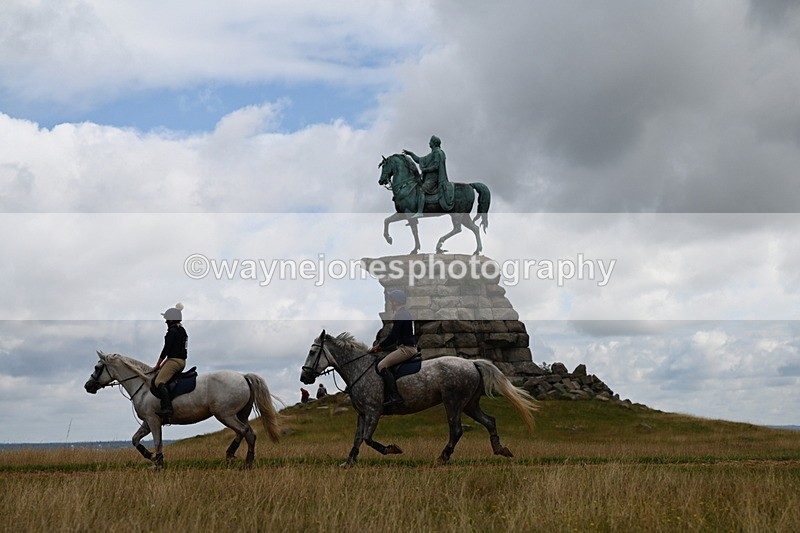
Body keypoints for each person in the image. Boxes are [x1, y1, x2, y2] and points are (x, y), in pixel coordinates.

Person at [369, 289, 416, 407]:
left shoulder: (401, 314)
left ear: (396, 302)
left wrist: (379, 346)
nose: (391, 302)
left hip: (406, 349)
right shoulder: (405, 313)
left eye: (392, 300)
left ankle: (395, 396)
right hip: (406, 346)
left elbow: (393, 336)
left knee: (381, 366)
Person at [152, 302, 188, 420]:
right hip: (180, 361)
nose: (166, 322)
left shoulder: (172, 332)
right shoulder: (182, 331)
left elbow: (166, 350)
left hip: (174, 361)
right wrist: (162, 365)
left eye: (167, 319)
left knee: (158, 382)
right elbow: (172, 352)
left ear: (172, 320)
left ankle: (167, 408)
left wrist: (157, 365)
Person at [402, 135, 454, 216]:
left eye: (430, 141)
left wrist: (425, 170)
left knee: (421, 190)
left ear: (434, 143)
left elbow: (436, 166)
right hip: (428, 179)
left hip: (434, 179)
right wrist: (411, 154)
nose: (429, 143)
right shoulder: (432, 154)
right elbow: (419, 160)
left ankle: (420, 212)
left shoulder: (437, 153)